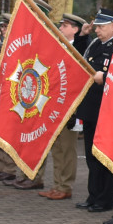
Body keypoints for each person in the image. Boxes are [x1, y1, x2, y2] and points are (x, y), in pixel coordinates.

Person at [74, 9, 113, 210]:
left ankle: (104, 199)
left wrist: (106, 75)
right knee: (92, 156)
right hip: (91, 109)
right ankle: (93, 195)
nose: (98, 30)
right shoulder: (95, 43)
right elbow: (79, 60)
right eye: (97, 27)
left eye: (102, 26)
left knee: (105, 157)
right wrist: (83, 36)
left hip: (107, 110)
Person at [37, 13, 87, 200]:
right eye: (61, 25)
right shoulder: (56, 48)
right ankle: (57, 184)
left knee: (67, 147)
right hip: (54, 104)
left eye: (65, 26)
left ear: (75, 29)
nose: (61, 28)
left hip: (70, 107)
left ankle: (65, 186)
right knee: (56, 147)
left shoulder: (80, 48)